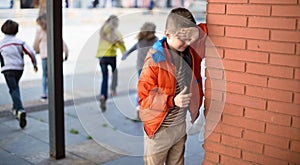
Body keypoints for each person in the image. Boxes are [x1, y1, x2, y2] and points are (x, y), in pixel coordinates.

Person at [137, 7, 207, 164]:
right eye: (183, 38)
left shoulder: (191, 49)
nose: (188, 43)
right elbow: (144, 101)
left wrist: (197, 32)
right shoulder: (154, 61)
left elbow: (211, 31)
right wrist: (172, 101)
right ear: (167, 34)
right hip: (159, 132)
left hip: (180, 128)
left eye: (190, 38)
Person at [0, 19, 38, 128]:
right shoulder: (20, 42)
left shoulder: (1, 44)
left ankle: (20, 110)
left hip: (7, 69)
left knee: (13, 89)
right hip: (19, 69)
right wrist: (34, 64)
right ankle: (15, 108)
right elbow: (31, 52)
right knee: (15, 88)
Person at [121, 22, 158, 119]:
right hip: (143, 68)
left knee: (148, 88)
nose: (153, 34)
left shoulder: (152, 41)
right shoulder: (149, 41)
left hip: (149, 68)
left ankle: (144, 107)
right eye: (152, 32)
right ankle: (140, 108)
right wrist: (125, 54)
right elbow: (131, 49)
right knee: (145, 88)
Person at [33, 13, 69, 102]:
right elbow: (62, 42)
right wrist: (66, 53)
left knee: (45, 75)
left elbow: (35, 44)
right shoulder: (53, 29)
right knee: (54, 74)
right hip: (54, 55)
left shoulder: (39, 31)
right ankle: (54, 92)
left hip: (44, 55)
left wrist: (36, 51)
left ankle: (45, 93)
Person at [96, 15, 126, 111]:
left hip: (102, 56)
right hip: (111, 56)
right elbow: (121, 45)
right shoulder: (117, 33)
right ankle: (113, 89)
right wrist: (124, 53)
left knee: (104, 77)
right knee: (114, 72)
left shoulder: (103, 30)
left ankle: (102, 96)